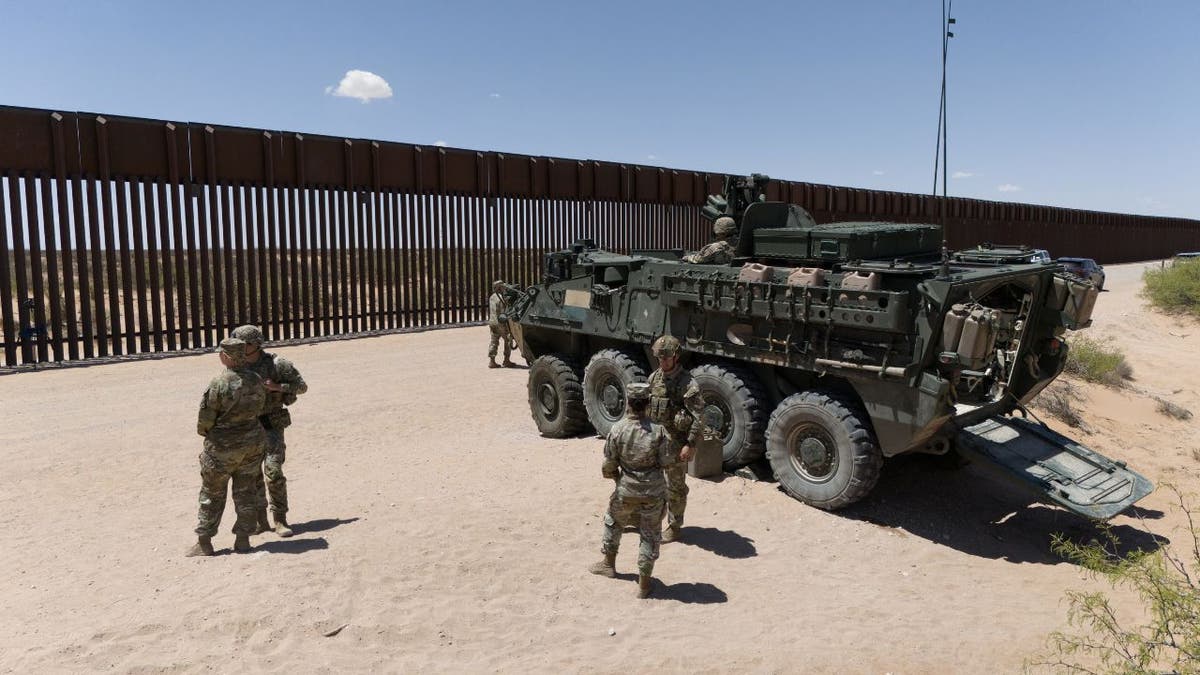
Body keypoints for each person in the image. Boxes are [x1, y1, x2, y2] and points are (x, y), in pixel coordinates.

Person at [587, 382, 676, 599]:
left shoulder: (617, 429)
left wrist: (617, 478)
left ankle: (608, 565)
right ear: (648, 403)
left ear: (628, 402)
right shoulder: (659, 431)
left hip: (625, 490)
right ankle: (644, 585)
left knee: (613, 523)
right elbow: (668, 463)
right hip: (653, 494)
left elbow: (608, 466)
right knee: (650, 536)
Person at [187, 338, 268, 557]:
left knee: (212, 493)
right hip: (252, 443)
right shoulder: (256, 379)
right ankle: (243, 539)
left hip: (222, 447)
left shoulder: (219, 382)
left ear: (226, 357)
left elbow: (205, 418)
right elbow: (260, 407)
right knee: (246, 492)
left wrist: (207, 433)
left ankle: (204, 541)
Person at [231, 324, 308, 538]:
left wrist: (278, 387)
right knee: (253, 476)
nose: (239, 349)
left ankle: (280, 519)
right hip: (248, 428)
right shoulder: (236, 366)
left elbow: (302, 386)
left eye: (243, 345)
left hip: (271, 426)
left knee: (273, 473)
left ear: (256, 345)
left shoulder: (277, 364)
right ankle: (261, 521)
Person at [646, 334, 706, 543]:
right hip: (656, 441)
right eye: (659, 358)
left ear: (676, 357)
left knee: (676, 488)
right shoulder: (654, 378)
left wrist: (690, 444)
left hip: (676, 445)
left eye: (666, 358)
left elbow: (700, 417)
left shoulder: (688, 384)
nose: (662, 361)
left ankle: (674, 526)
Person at [488, 280, 515, 368]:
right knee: (508, 340)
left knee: (494, 341)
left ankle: (492, 361)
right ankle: (506, 360)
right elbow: (504, 312)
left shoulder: (492, 297)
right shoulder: (502, 298)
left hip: (492, 322)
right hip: (501, 323)